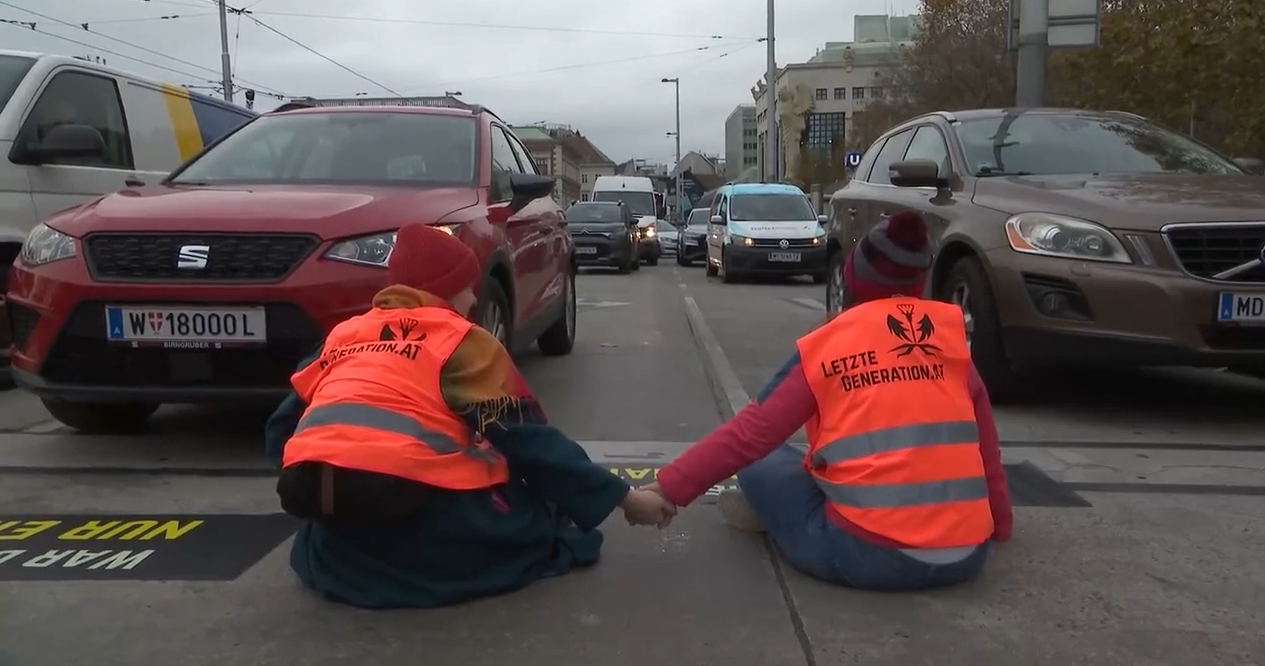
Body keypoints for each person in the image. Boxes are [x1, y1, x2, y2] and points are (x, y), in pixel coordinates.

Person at [264, 222, 674, 609]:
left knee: (328, 537)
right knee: (535, 518)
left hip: (333, 516)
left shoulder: (346, 334)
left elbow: (281, 430)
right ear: (443, 290)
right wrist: (623, 499)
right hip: (414, 506)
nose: (475, 298)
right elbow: (530, 441)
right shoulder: (460, 341)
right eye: (466, 286)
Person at [645, 210, 1013, 590]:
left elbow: (750, 435)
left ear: (853, 280)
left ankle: (777, 516)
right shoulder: (948, 337)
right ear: (920, 282)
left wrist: (668, 488)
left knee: (761, 463)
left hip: (868, 556)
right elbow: (987, 448)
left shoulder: (830, 343)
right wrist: (999, 525)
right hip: (966, 555)